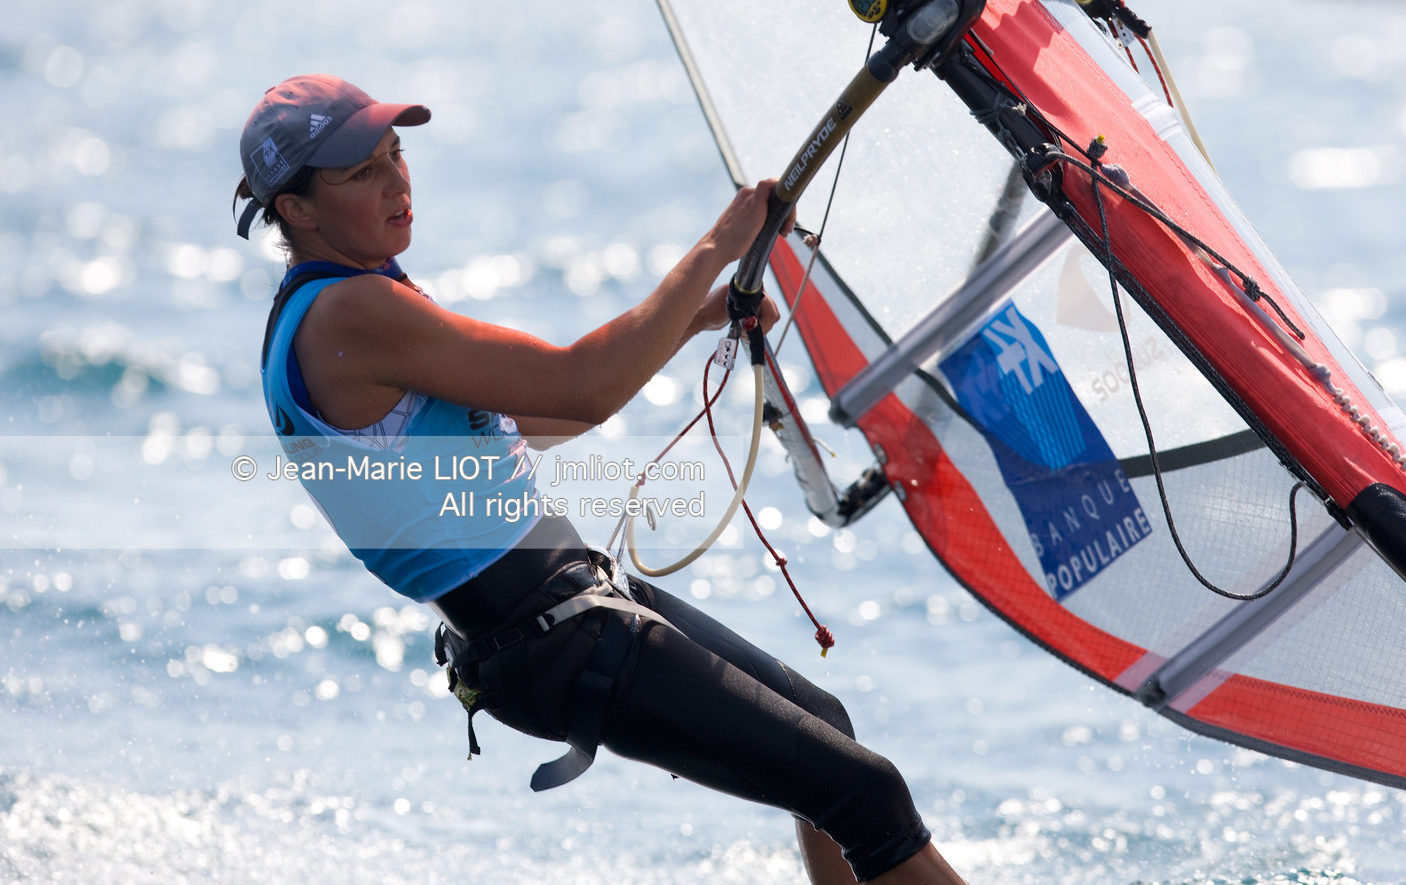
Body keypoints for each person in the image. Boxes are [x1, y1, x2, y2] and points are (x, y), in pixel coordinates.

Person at [233, 74, 970, 885]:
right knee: (868, 793)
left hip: (569, 614)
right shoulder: (348, 314)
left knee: (828, 733)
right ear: (295, 209)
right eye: (360, 172)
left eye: (397, 154)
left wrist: (697, 317)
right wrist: (717, 245)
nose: (398, 180)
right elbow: (580, 384)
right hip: (553, 640)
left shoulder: (349, 304)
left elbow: (547, 419)